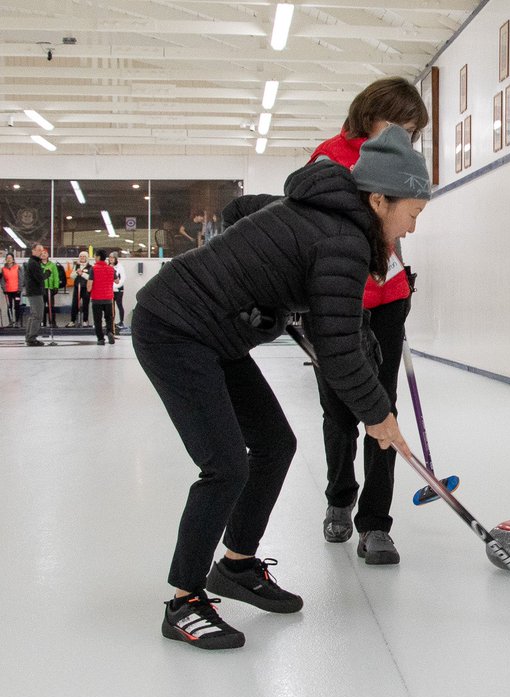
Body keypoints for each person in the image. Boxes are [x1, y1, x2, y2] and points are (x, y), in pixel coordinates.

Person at [133, 125, 430, 650]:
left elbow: (245, 212)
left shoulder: (328, 217)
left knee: (275, 443)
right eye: (412, 212)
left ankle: (238, 565)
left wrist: (263, 290)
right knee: (225, 465)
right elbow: (336, 351)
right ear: (379, 199)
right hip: (175, 328)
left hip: (214, 334)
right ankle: (183, 602)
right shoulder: (342, 239)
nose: (410, 227)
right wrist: (380, 416)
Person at [309, 77, 428, 565]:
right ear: (370, 114)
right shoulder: (329, 156)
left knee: (382, 407)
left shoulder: (401, 160)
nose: (404, 136)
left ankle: (376, 523)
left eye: (412, 130)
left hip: (389, 296)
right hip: (338, 299)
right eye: (398, 124)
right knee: (339, 408)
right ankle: (340, 497)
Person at [89, 252, 115, 345]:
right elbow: (116, 280)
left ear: (99, 257)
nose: (95, 258)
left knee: (98, 319)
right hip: (108, 298)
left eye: (95, 256)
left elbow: (89, 285)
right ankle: (110, 332)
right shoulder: (111, 269)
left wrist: (89, 290)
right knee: (109, 318)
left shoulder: (93, 268)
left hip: (97, 298)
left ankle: (100, 339)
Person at [23, 245, 47, 346]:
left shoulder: (34, 262)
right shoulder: (33, 263)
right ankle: (31, 338)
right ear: (33, 251)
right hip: (35, 292)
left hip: (33, 291)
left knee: (34, 314)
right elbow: (39, 278)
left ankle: (29, 336)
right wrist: (47, 274)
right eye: (38, 250)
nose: (41, 252)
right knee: (37, 315)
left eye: (42, 250)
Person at [70, 251, 92, 327]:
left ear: (87, 258)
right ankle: (73, 321)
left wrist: (82, 274)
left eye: (84, 256)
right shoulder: (76, 266)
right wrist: (77, 272)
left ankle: (85, 321)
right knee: (74, 304)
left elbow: (90, 277)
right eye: (81, 256)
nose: (82, 258)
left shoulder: (90, 267)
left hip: (86, 288)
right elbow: (71, 276)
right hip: (77, 287)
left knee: (86, 304)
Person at [109, 253, 127, 331]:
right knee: (111, 306)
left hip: (119, 289)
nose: (111, 259)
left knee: (119, 304)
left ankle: (121, 321)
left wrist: (116, 286)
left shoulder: (120, 267)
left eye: (113, 258)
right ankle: (111, 322)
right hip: (110, 289)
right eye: (110, 258)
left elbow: (122, 278)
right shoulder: (107, 266)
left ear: (116, 259)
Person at [2, 253, 20, 326]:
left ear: (13, 259)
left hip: (17, 291)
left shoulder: (18, 267)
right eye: (7, 258)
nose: (9, 259)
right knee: (9, 306)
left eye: (10, 258)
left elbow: (21, 278)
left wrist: (20, 288)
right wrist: (4, 289)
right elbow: (2, 280)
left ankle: (17, 322)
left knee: (17, 306)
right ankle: (10, 322)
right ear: (6, 260)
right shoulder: (3, 269)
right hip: (8, 291)